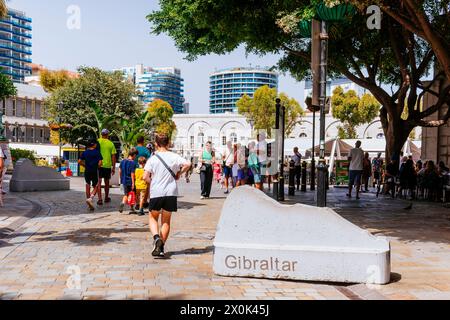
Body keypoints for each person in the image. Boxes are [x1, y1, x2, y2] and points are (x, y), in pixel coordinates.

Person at [143, 133, 191, 258]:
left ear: (156, 144)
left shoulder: (153, 159)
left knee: (153, 217)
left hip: (156, 192)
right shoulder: (174, 156)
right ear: (168, 143)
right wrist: (179, 173)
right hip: (171, 192)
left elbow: (145, 177)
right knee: (166, 220)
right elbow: (188, 164)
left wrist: (153, 182)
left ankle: (156, 238)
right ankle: (161, 247)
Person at [78, 140, 103, 211]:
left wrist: (85, 165)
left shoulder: (85, 152)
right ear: (94, 145)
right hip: (94, 171)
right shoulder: (97, 152)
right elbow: (100, 163)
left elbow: (79, 161)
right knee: (96, 185)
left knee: (87, 184)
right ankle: (90, 198)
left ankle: (88, 201)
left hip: (87, 171)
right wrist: (97, 166)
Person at [97, 129, 117, 206]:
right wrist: (114, 167)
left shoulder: (97, 142)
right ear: (108, 135)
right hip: (107, 165)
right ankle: (106, 197)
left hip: (98, 164)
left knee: (98, 182)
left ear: (101, 134)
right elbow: (113, 156)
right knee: (107, 183)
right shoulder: (111, 144)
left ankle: (99, 199)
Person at [118, 148, 138, 214]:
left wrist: (121, 179)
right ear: (134, 155)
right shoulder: (133, 163)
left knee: (126, 194)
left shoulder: (123, 161)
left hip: (124, 181)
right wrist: (133, 183)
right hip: (130, 181)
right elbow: (132, 173)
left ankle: (123, 202)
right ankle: (132, 208)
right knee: (132, 194)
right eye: (136, 156)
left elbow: (120, 171)